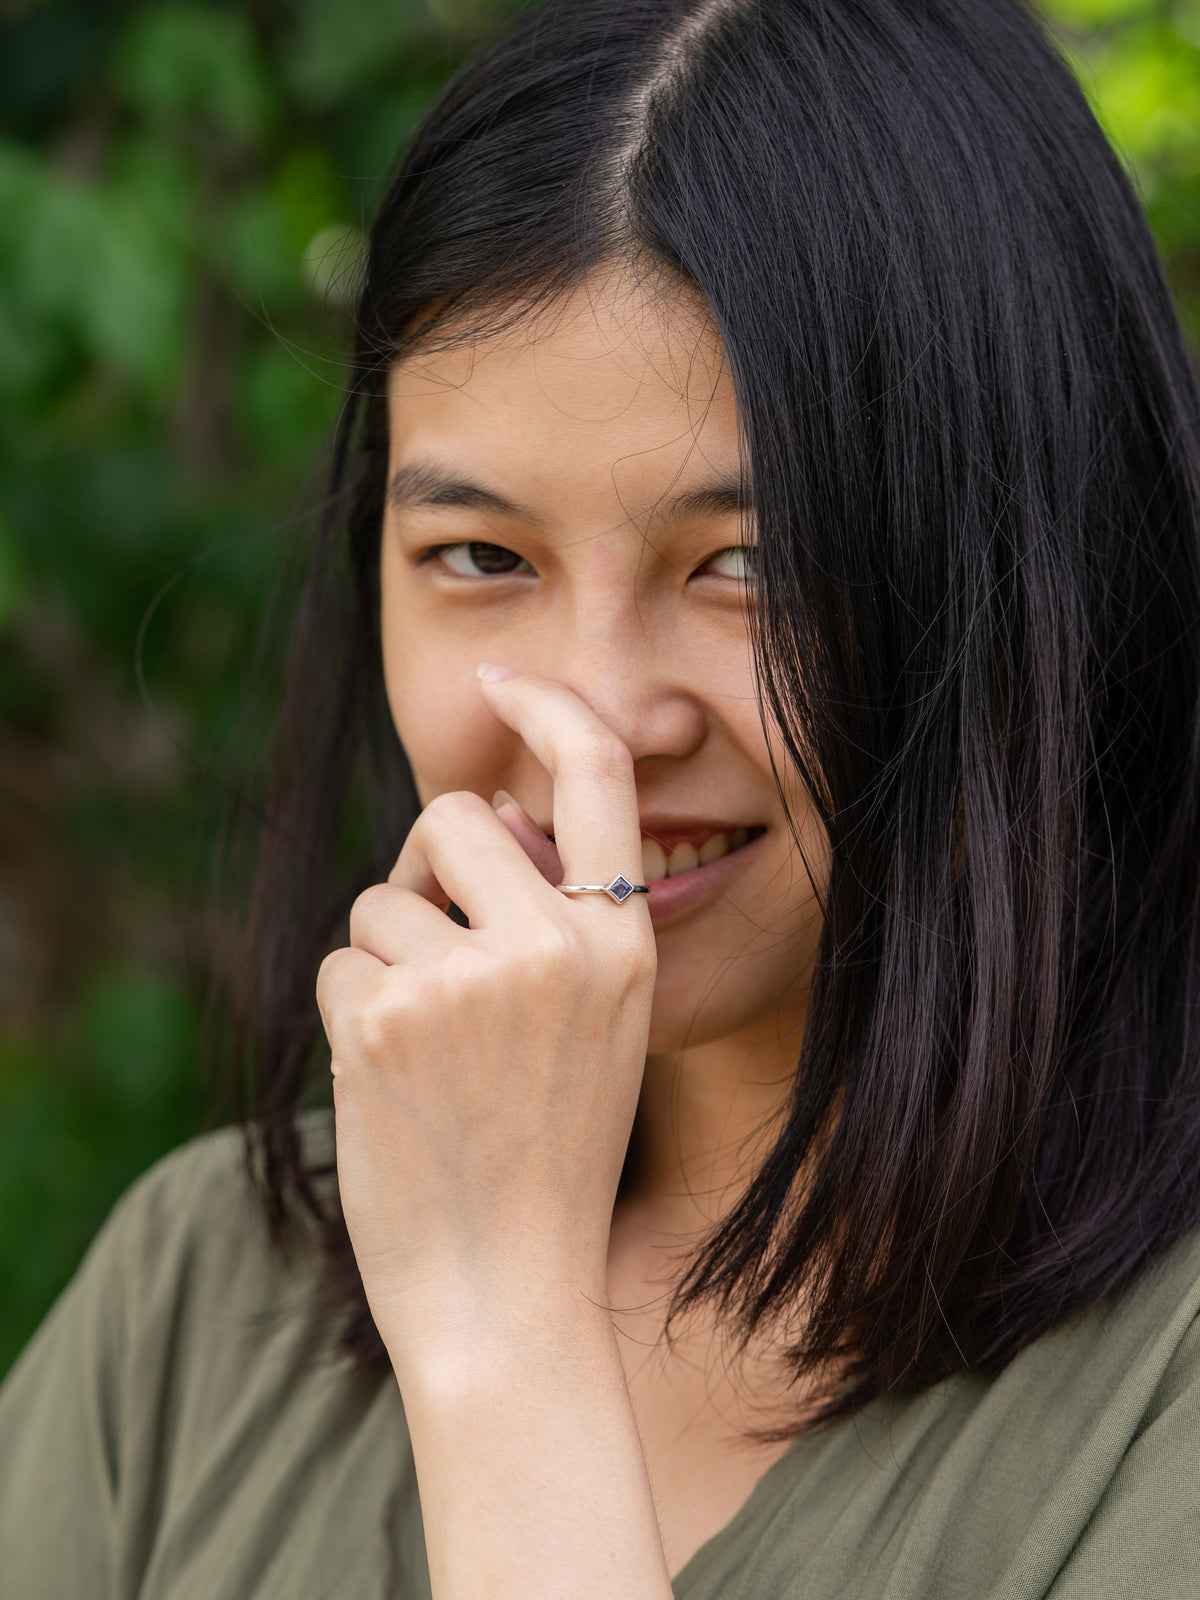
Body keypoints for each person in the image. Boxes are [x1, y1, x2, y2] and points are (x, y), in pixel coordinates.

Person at [4, 0, 1200, 1593]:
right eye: (482, 557)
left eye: (753, 566)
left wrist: (506, 1344)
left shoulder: (1151, 1408)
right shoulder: (201, 1299)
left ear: (1039, 569)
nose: (594, 724)